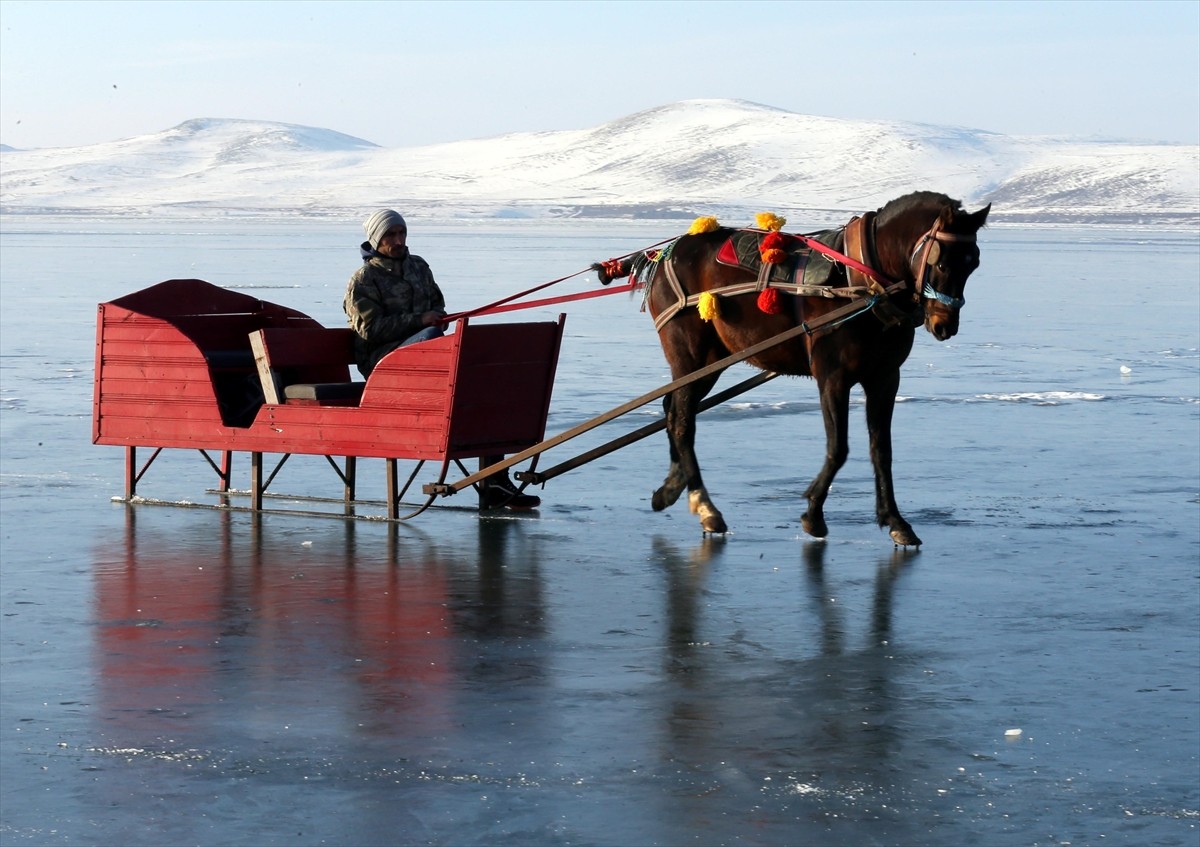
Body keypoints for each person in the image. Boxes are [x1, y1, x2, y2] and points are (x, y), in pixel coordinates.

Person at [344, 209, 540, 510]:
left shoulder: (419, 267)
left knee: (481, 387)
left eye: (401, 233)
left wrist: (436, 317)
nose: (398, 240)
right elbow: (369, 330)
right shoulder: (364, 280)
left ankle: (495, 481)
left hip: (425, 355)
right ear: (375, 239)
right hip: (383, 365)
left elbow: (437, 304)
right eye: (390, 235)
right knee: (432, 335)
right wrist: (420, 321)